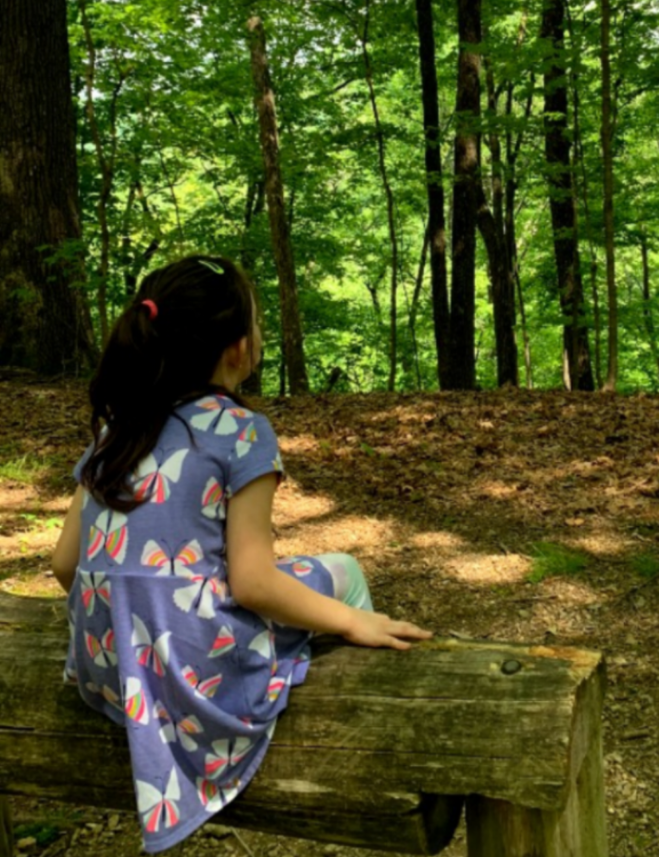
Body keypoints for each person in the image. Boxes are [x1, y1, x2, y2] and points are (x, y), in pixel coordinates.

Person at [51, 255, 430, 853]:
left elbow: (65, 566)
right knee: (344, 573)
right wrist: (354, 619)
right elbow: (253, 582)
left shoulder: (118, 428)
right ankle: (358, 725)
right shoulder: (242, 431)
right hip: (196, 672)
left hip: (105, 668)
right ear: (237, 348)